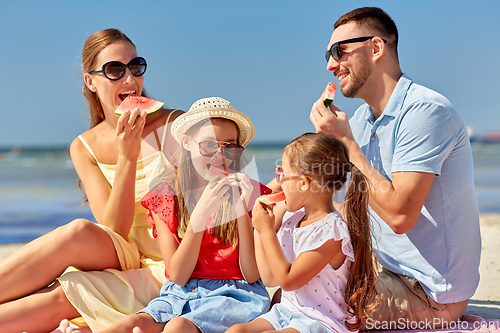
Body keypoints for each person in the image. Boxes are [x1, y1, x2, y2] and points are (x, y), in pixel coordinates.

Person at [0, 28, 183, 332]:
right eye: (115, 70)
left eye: (135, 66)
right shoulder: (83, 147)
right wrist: (127, 156)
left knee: (66, 292)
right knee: (78, 232)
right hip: (122, 251)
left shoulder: (175, 124)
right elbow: (115, 230)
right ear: (91, 81)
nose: (129, 79)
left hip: (171, 258)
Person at [309, 7, 481, 329]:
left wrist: (348, 145)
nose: (331, 65)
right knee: (292, 291)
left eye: (339, 51)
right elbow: (356, 209)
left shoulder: (425, 112)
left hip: (430, 292)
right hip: (383, 268)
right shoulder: (360, 121)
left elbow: (401, 216)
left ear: (375, 48)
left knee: (317, 311)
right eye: (328, 55)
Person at [93, 97, 270, 333]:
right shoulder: (166, 197)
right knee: (132, 323)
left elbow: (251, 274)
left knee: (178, 327)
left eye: (230, 146)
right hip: (180, 292)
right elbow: (177, 275)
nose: (220, 154)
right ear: (187, 143)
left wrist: (240, 209)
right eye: (209, 145)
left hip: (236, 295)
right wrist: (200, 217)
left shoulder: (253, 195)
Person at [228, 132, 378, 333]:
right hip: (286, 313)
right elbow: (270, 278)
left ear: (303, 183)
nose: (279, 182)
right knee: (236, 331)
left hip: (321, 322)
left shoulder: (331, 232)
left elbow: (288, 281)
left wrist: (267, 233)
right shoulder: (293, 220)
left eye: (282, 174)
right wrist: (260, 229)